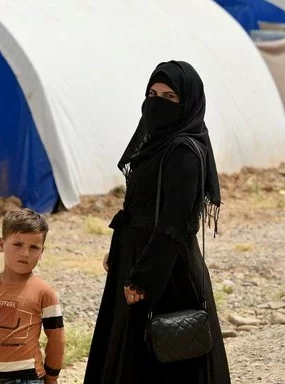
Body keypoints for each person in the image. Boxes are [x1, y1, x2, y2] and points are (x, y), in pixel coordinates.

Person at [83, 61, 231, 383]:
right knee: (133, 353)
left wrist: (143, 279)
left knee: (166, 355)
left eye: (169, 96)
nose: (157, 102)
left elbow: (175, 224)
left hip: (165, 270)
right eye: (152, 93)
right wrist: (119, 249)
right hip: (137, 258)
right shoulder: (154, 145)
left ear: (188, 103)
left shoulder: (183, 151)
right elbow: (138, 206)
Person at [0, 208, 65, 384]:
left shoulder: (45, 293)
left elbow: (57, 339)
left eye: (34, 247)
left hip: (27, 379)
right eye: (17, 244)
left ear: (42, 252)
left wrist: (52, 377)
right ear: (1, 244)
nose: (25, 253)